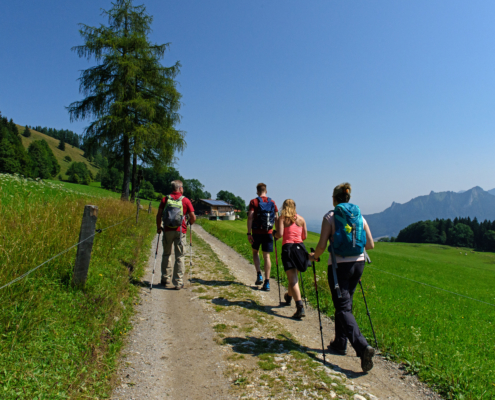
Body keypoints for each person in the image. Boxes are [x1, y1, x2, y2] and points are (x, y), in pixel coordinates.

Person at [309, 182, 376, 372]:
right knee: (346, 303)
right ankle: (340, 342)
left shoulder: (330, 217)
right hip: (359, 264)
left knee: (342, 306)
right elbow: (370, 244)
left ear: (334, 199)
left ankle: (363, 348)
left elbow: (322, 245)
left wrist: (315, 256)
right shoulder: (359, 217)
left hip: (339, 266)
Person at [156, 180, 196, 290]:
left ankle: (165, 278)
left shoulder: (165, 199)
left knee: (166, 254)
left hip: (168, 230)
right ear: (180, 188)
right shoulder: (185, 200)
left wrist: (159, 227)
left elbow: (159, 215)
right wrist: (189, 223)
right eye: (182, 187)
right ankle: (178, 282)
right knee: (180, 256)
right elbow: (193, 217)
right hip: (180, 231)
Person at [274, 199, 308, 319]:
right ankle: (288, 297)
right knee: (294, 277)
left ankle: (299, 306)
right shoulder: (301, 219)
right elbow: (304, 236)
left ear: (284, 206)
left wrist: (274, 234)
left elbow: (280, 234)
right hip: (300, 248)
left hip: (288, 248)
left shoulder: (283, 218)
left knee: (292, 279)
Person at [247, 183, 278, 291]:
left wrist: (248, 233)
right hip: (268, 232)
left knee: (255, 252)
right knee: (267, 257)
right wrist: (277, 233)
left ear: (257, 191)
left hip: (256, 232)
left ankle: (259, 274)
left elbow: (250, 217)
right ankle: (267, 282)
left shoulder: (253, 202)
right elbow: (276, 218)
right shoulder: (272, 202)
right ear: (266, 191)